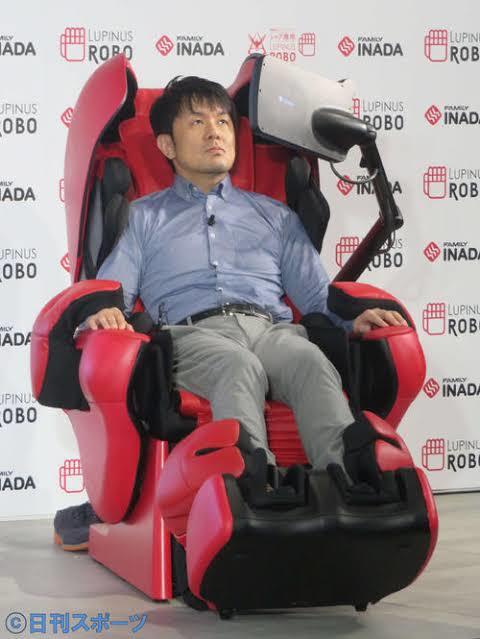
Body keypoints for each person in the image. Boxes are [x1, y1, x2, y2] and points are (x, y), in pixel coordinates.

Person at [54, 75, 406, 550]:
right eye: (197, 122)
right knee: (237, 367)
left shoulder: (275, 216)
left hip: (271, 329)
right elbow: (113, 290)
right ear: (167, 145)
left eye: (223, 122)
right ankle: (253, 499)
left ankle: (353, 493)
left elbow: (317, 297)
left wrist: (352, 319)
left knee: (310, 361)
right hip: (193, 335)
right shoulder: (143, 217)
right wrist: (103, 312)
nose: (215, 132)